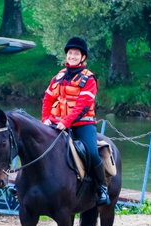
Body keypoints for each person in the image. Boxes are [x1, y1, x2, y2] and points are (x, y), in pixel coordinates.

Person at [41, 36, 109, 205]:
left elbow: (83, 105)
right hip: (56, 123)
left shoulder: (89, 79)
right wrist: (45, 119)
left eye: (76, 54)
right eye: (70, 53)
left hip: (82, 124)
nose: (72, 56)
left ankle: (102, 187)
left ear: (83, 57)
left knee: (92, 153)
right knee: (36, 145)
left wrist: (66, 122)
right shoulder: (58, 76)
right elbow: (47, 100)